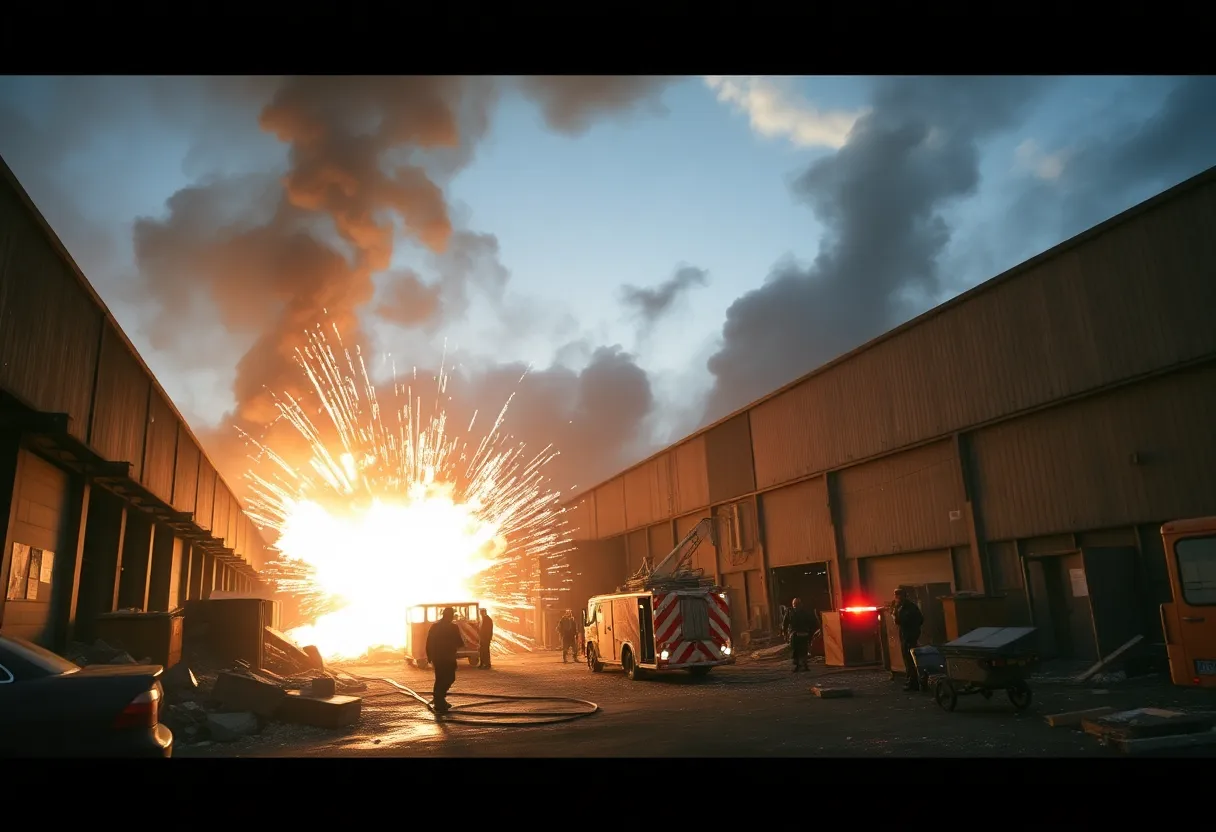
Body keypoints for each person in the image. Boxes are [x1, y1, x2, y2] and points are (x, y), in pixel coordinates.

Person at [426, 606, 464, 713]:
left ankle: (439, 700)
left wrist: (429, 656)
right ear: (450, 615)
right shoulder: (453, 627)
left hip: (438, 658)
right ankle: (439, 700)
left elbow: (429, 642)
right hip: (448, 657)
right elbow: (459, 642)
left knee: (440, 678)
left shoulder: (435, 627)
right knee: (450, 678)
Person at [892, 588, 925, 691]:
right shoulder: (905, 606)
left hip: (909, 636)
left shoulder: (907, 607)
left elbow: (901, 620)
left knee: (909, 659)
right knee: (909, 659)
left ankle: (913, 682)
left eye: (898, 596)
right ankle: (912, 680)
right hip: (908, 635)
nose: (897, 598)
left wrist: (896, 615)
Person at [781, 597, 815, 672]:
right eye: (795, 604)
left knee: (803, 649)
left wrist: (810, 632)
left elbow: (810, 622)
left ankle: (804, 664)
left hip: (803, 633)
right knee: (796, 649)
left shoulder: (804, 612)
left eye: (797, 604)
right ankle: (799, 665)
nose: (796, 606)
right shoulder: (790, 611)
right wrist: (784, 632)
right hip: (795, 633)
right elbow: (785, 622)